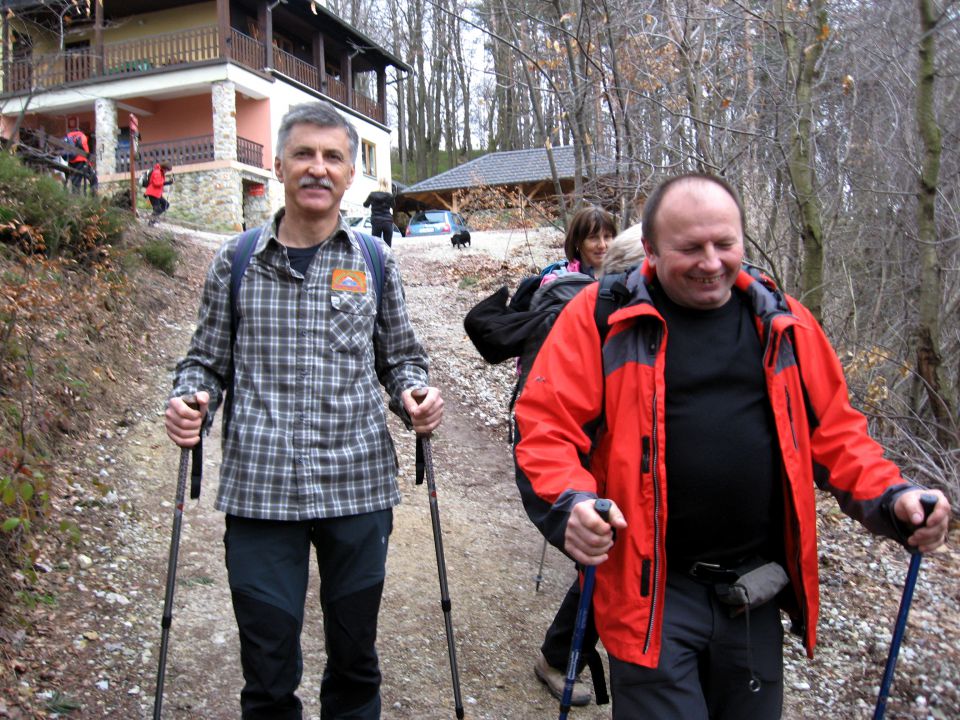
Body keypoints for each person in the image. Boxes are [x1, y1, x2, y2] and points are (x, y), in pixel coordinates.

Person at [514, 172, 951, 719]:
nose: (712, 261)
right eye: (690, 248)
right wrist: (571, 503)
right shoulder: (602, 319)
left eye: (725, 244)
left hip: (754, 591)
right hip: (652, 592)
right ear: (649, 249)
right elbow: (545, 428)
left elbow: (837, 436)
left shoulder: (782, 323)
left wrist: (894, 496)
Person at [163, 100, 444, 720]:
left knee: (355, 661)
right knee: (266, 672)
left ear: (350, 174)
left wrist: (415, 394)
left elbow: (401, 359)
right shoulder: (236, 261)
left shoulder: (374, 262)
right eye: (304, 155)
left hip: (358, 488)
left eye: (332, 157)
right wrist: (189, 403)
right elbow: (203, 363)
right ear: (281, 167)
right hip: (261, 493)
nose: (318, 168)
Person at [540, 205, 617, 284]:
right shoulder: (556, 283)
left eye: (607, 237)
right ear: (577, 241)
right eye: (593, 238)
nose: (602, 245)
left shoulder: (625, 278)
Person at [363, 177, 396, 246]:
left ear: (378, 184)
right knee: (388, 244)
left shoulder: (372, 194)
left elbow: (365, 205)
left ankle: (377, 256)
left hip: (376, 221)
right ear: (387, 185)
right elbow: (393, 206)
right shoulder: (389, 196)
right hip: (387, 221)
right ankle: (387, 256)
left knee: (375, 244)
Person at [63, 128, 97, 195]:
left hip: (71, 161)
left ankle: (76, 197)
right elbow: (85, 150)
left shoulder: (68, 136)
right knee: (93, 178)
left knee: (75, 182)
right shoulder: (81, 135)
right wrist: (89, 162)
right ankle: (94, 194)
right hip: (81, 161)